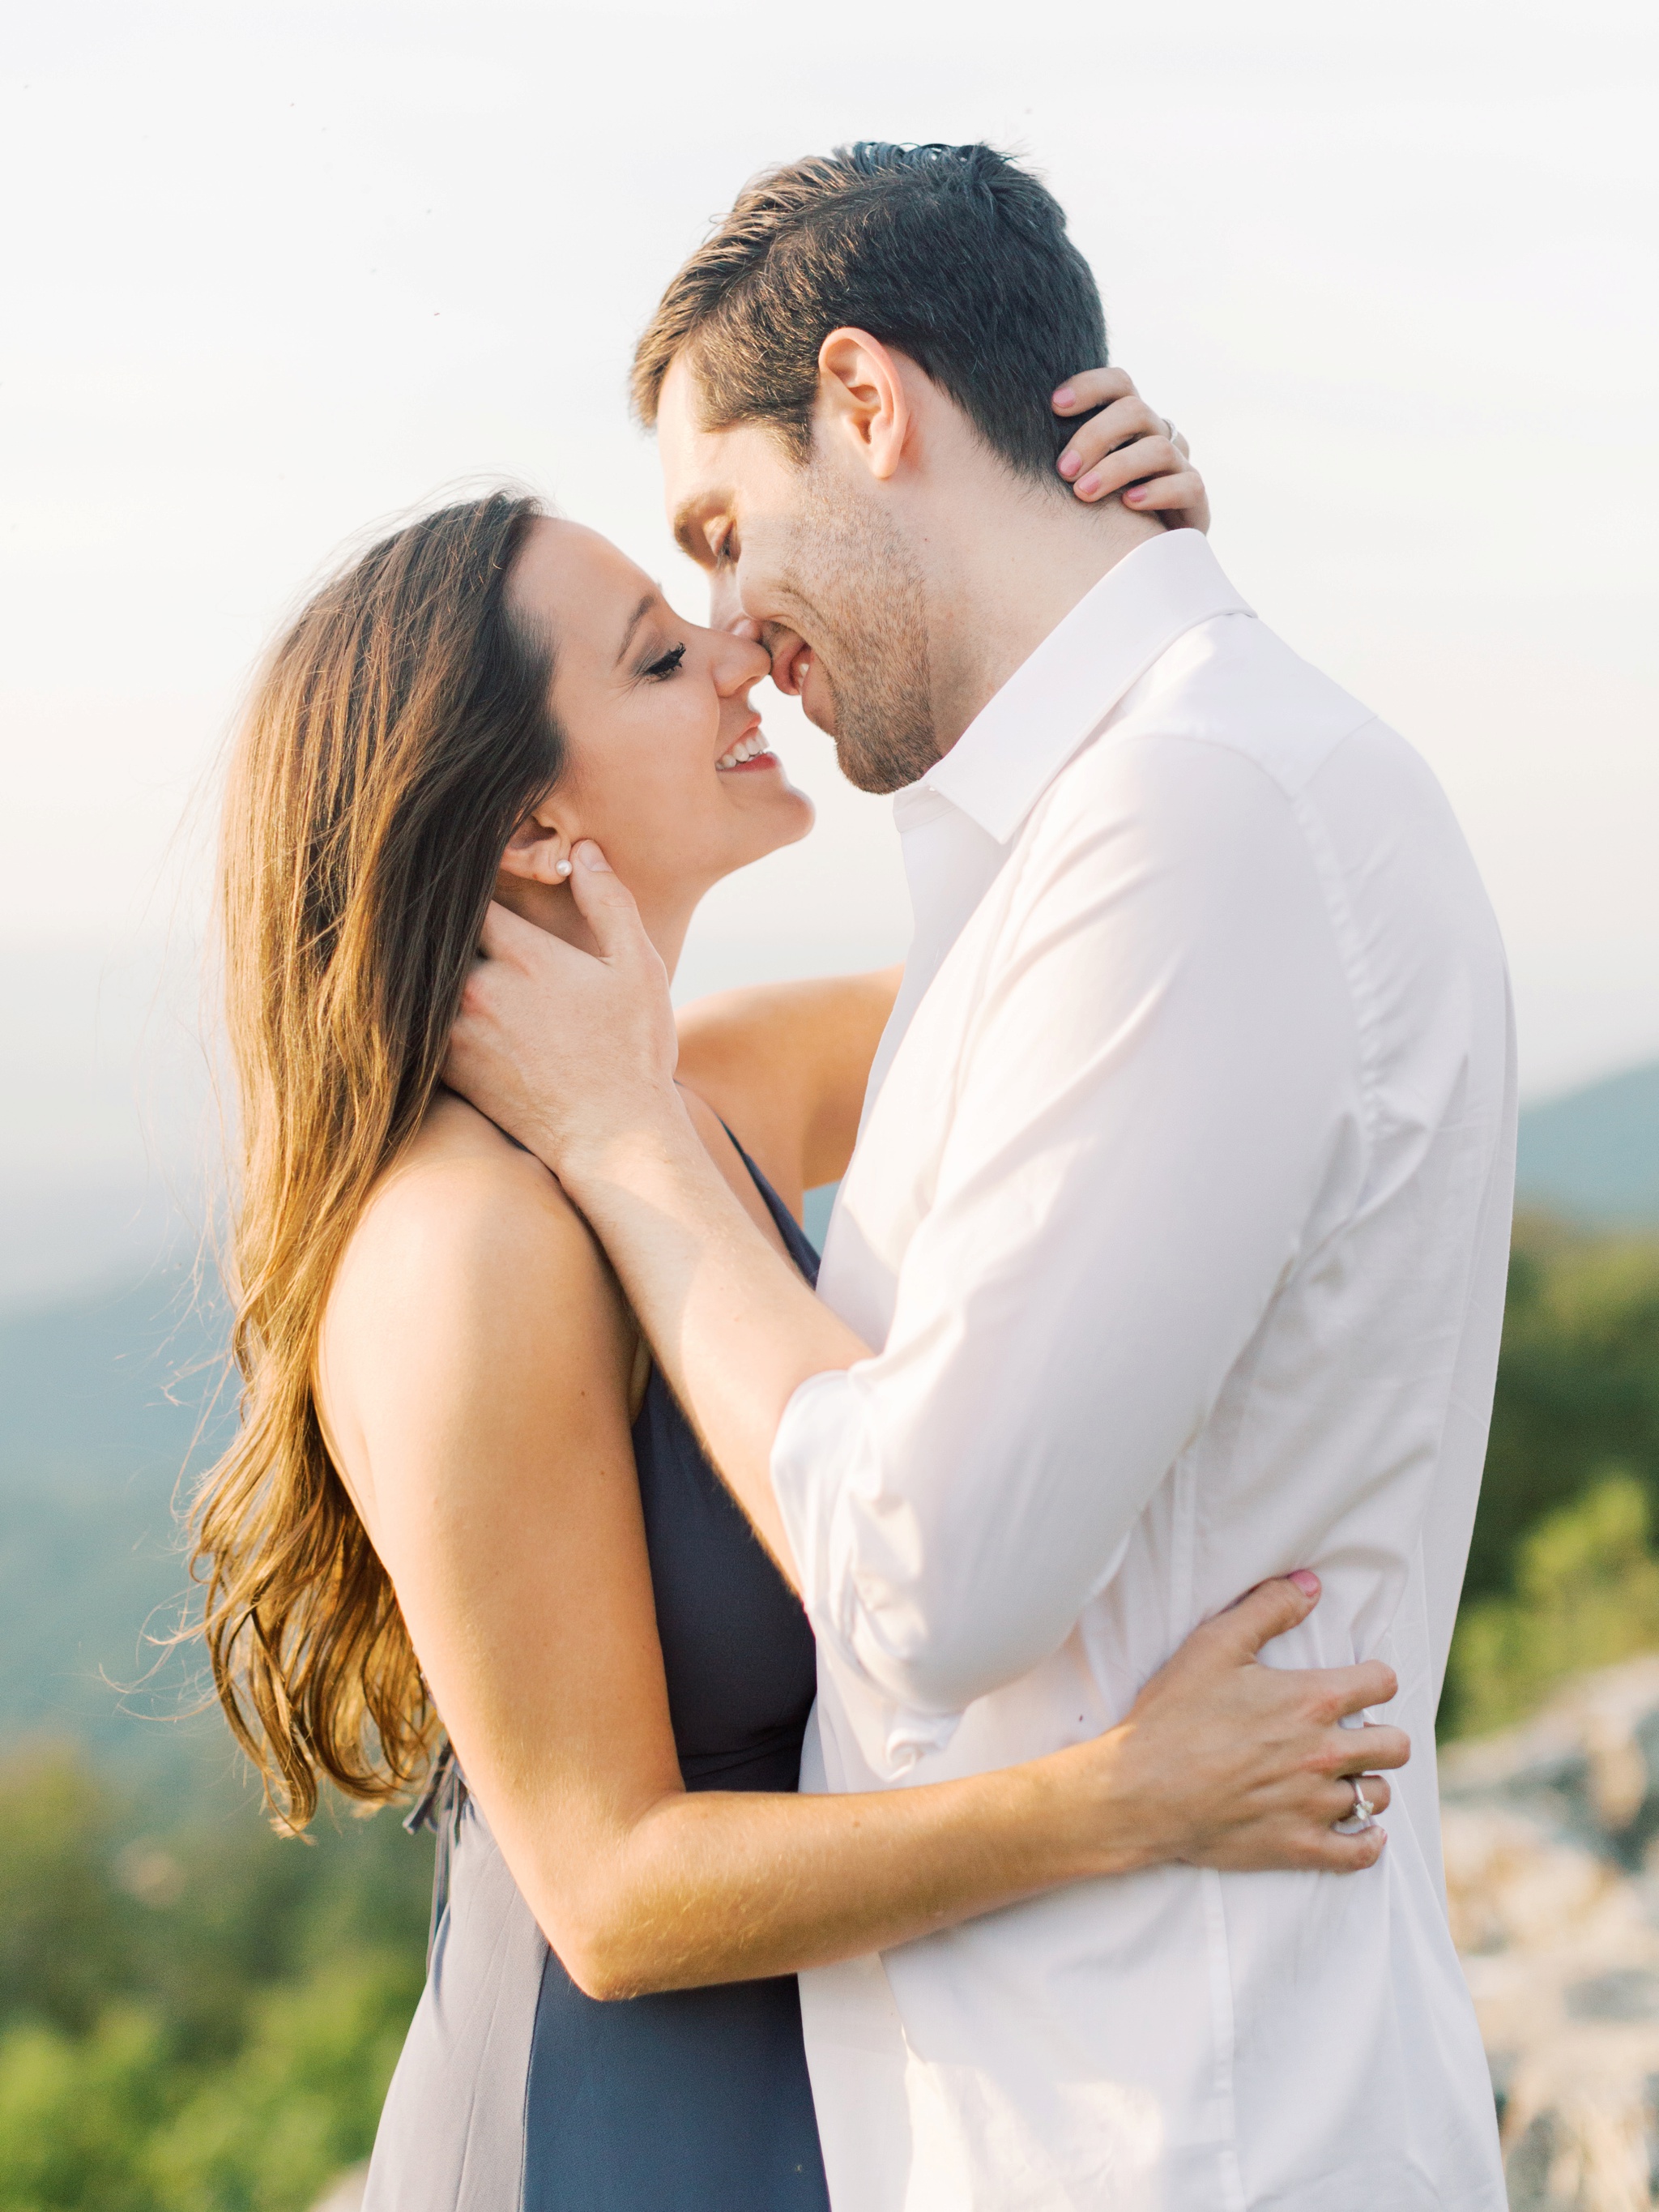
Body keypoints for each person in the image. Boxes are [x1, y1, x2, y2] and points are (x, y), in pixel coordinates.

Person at [444, 143, 1516, 2209]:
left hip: (1187, 2135)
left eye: (721, 531)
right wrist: (1109, 617)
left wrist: (624, 1135)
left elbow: (927, 1579)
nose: (734, 636)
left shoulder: (1190, 820)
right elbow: (989, 969)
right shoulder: (1139, 812)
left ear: (867, 405)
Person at [190, 423, 1405, 2212]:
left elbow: (1102, 953)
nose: (738, 652)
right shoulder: (466, 1246)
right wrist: (1122, 1800)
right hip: (602, 2145)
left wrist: (1119, 586)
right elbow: (605, 1898)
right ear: (536, 819)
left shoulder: (708, 1096)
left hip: (828, 2115)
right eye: (662, 659)